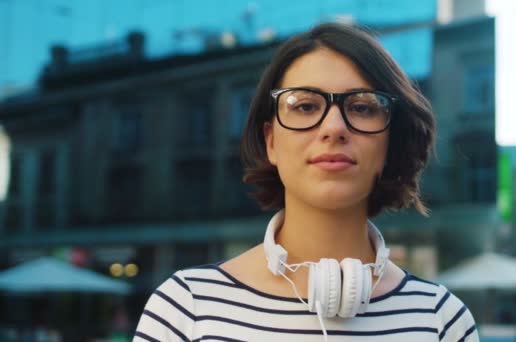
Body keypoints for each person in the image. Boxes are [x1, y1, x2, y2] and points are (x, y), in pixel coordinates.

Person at [134, 22, 479, 341]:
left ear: (390, 142)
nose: (333, 128)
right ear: (271, 141)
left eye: (362, 107)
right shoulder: (185, 307)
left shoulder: (441, 320)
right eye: (305, 106)